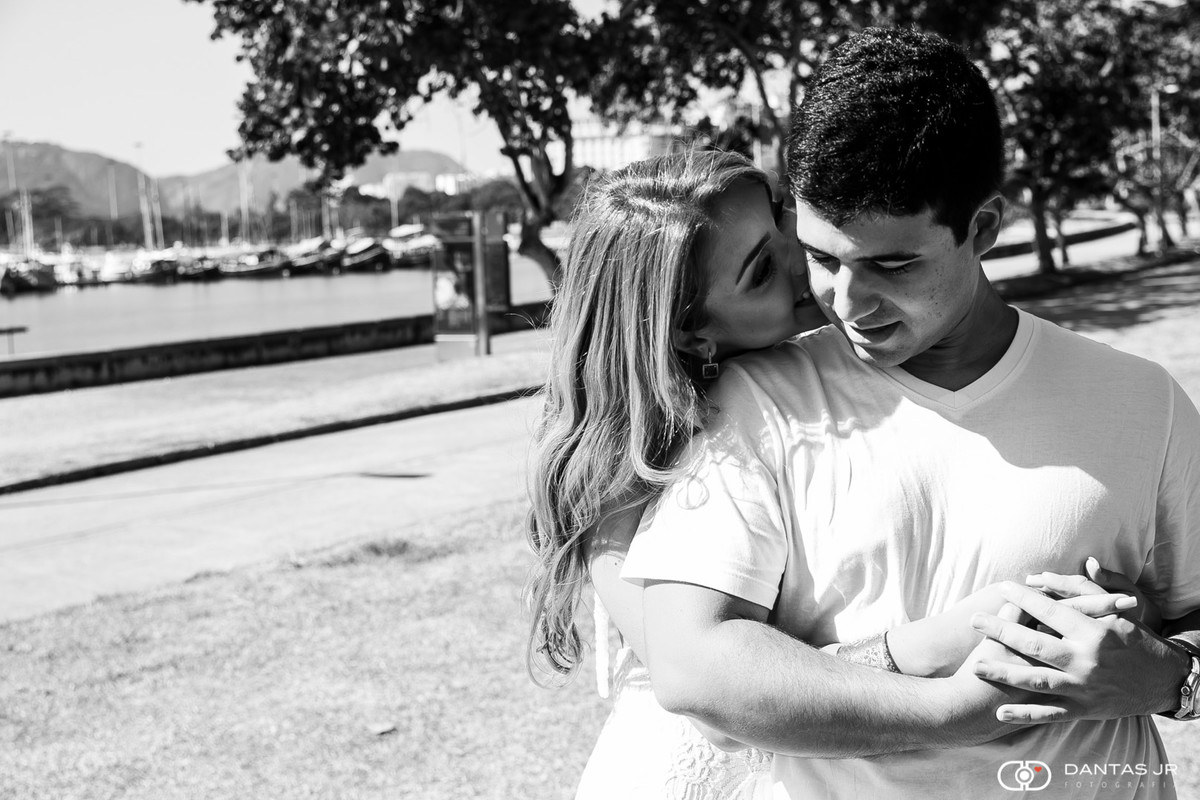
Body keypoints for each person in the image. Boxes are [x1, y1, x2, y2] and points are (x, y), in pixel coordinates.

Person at [621, 28, 1200, 799]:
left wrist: (1171, 681)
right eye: (823, 258)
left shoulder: (1141, 400)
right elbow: (695, 671)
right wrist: (956, 711)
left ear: (984, 229)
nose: (847, 303)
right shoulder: (751, 402)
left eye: (893, 266)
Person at [524, 149, 1150, 799]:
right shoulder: (622, 493)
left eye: (785, 229)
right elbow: (716, 691)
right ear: (690, 334)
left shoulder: (798, 390)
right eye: (762, 269)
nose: (808, 263)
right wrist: (940, 647)